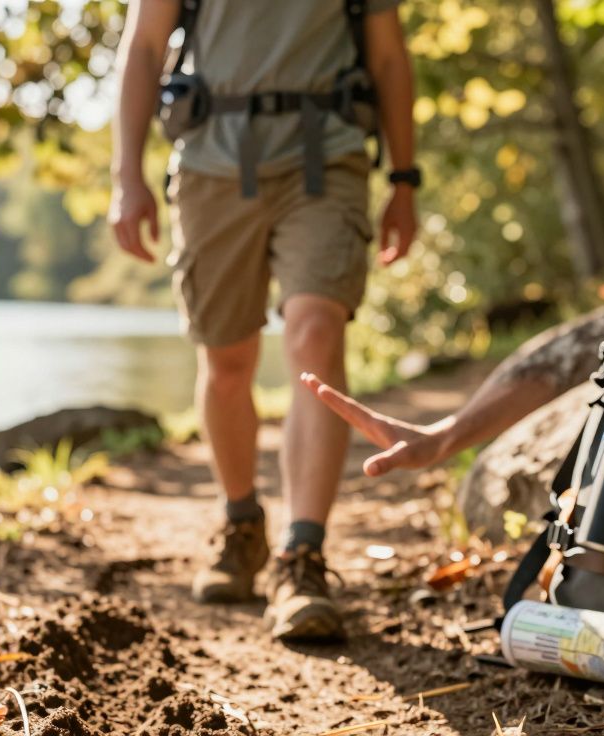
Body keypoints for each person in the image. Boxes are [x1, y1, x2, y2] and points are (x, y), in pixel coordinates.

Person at [108, 0, 419, 641]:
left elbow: (388, 56)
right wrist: (126, 175)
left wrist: (405, 179)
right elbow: (143, 48)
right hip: (210, 164)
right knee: (227, 362)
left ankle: (302, 558)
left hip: (326, 157)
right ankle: (243, 524)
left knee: (315, 333)